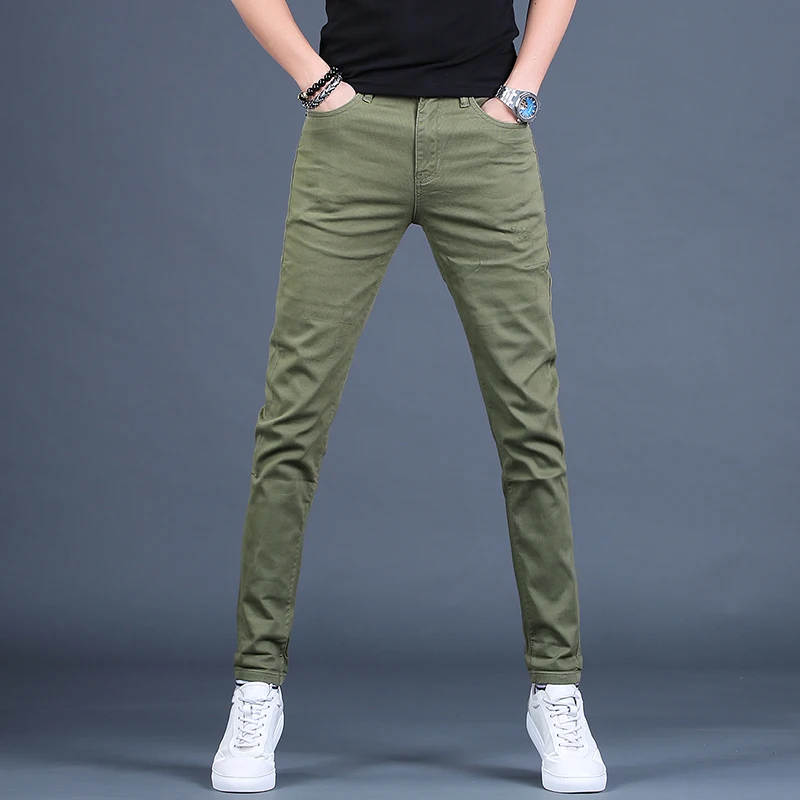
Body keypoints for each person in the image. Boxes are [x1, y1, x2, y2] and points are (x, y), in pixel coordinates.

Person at [211, 0, 607, 793]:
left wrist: (523, 90)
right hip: (350, 137)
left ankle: (557, 689)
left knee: (531, 426)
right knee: (291, 424)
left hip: (485, 137)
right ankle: (256, 689)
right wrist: (317, 84)